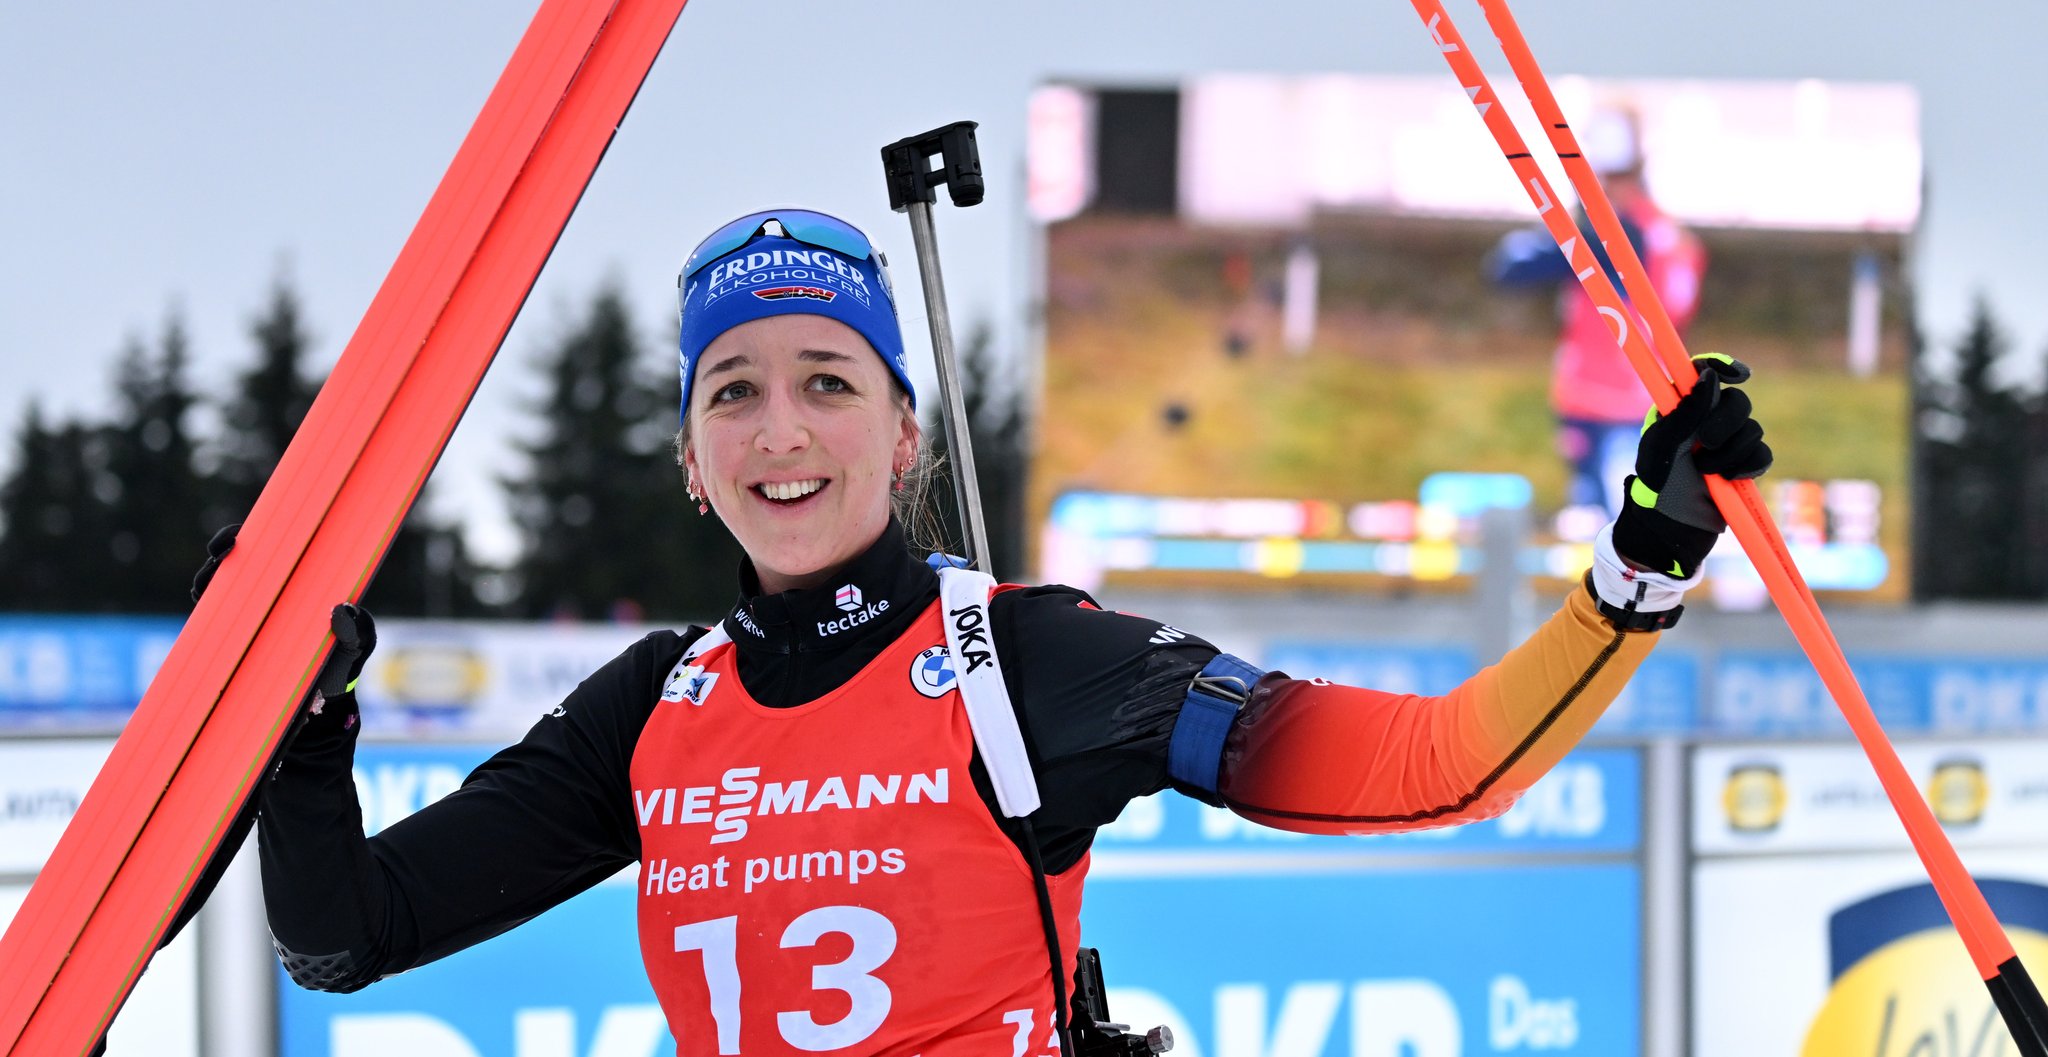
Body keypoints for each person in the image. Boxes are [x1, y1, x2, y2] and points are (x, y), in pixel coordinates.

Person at [245, 208, 1769, 1056]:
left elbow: (1440, 766)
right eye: (736, 389)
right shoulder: (657, 703)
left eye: (830, 381)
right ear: (692, 464)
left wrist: (1644, 554)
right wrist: (301, 735)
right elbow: (344, 935)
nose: (784, 428)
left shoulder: (1024, 661)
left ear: (903, 433)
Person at [1486, 108, 1707, 515]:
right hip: (1611, 396)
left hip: (1624, 397)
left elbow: (1512, 267)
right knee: (1606, 514)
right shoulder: (1666, 235)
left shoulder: (1626, 234)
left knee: (1619, 518)